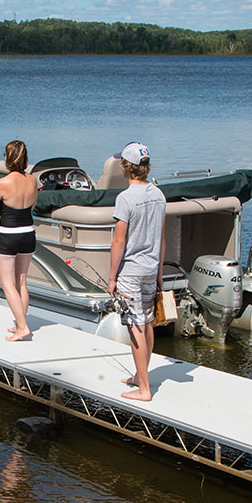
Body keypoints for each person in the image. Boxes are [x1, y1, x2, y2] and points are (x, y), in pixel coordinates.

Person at [107, 142, 165, 402]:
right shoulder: (159, 195)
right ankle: (141, 375)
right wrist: (160, 272)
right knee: (148, 321)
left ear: (126, 167)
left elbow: (118, 242)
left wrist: (111, 278)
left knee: (135, 327)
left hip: (130, 271)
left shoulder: (125, 198)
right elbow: (161, 238)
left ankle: (144, 389)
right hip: (151, 269)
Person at [0, 140, 37, 341]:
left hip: (8, 234)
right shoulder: (33, 181)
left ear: (7, 158)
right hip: (28, 233)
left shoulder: (3, 183)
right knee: (22, 281)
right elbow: (32, 206)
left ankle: (22, 327)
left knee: (8, 284)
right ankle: (20, 323)